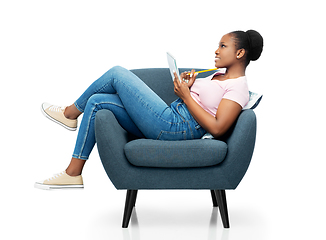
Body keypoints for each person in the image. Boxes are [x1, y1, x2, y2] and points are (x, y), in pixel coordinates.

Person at [34, 30, 264, 190]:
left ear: (240, 53)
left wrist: (186, 96)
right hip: (172, 117)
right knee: (97, 101)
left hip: (177, 127)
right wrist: (189, 87)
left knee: (117, 72)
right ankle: (73, 173)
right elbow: (204, 101)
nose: (216, 50)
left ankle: (69, 113)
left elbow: (218, 128)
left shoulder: (239, 87)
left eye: (223, 46)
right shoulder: (219, 75)